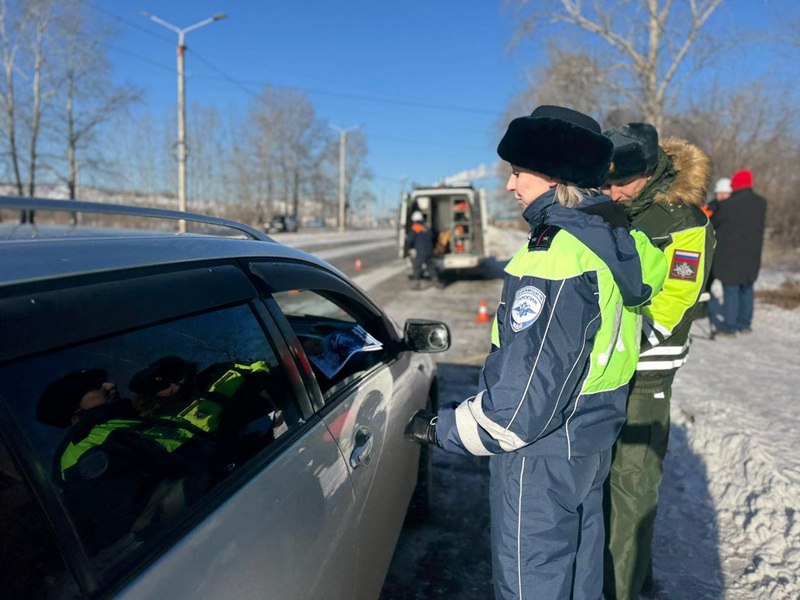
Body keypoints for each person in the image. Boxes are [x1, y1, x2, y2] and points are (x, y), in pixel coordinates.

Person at [405, 105, 666, 600]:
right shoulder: (616, 241)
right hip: (590, 438)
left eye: (517, 171)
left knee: (534, 580)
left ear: (553, 176)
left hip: (541, 456)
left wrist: (443, 429)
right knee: (580, 572)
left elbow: (520, 407)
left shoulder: (556, 256)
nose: (508, 185)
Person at [601, 122, 713, 599]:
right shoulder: (621, 206)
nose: (611, 192)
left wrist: (623, 345)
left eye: (618, 183)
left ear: (647, 172)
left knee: (631, 484)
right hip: (610, 363)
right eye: (604, 183)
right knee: (607, 480)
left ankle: (623, 590)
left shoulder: (683, 221)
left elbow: (674, 301)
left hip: (648, 369)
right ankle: (628, 577)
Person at [37, 368, 227, 552]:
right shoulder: (86, 451)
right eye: (96, 386)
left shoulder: (123, 424)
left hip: (217, 513)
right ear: (75, 407)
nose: (110, 385)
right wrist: (222, 472)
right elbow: (146, 516)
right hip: (205, 534)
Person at [708, 169, 767, 337]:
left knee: (731, 290)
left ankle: (729, 327)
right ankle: (745, 324)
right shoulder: (761, 203)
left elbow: (714, 221)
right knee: (747, 288)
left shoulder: (728, 205)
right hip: (752, 256)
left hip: (731, 257)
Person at [405, 210, 441, 289]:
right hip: (429, 251)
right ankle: (436, 282)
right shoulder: (426, 227)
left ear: (414, 220)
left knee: (417, 266)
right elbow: (432, 237)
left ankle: (416, 283)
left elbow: (410, 239)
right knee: (430, 267)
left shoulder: (415, 228)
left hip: (421, 252)